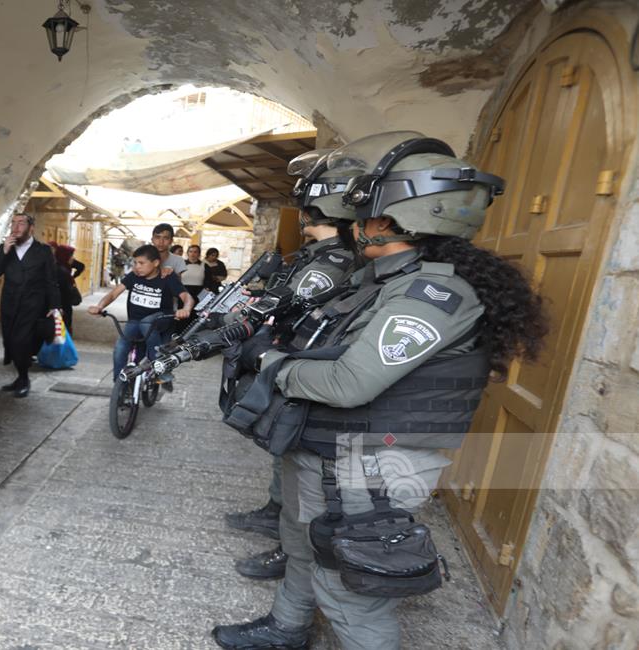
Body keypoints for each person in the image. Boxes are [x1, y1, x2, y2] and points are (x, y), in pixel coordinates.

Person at [212, 133, 546, 650]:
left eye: (364, 214)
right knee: (302, 544)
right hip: (332, 448)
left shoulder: (432, 294)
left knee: (349, 589)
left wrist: (273, 365)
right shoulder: (381, 279)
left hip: (368, 463)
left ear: (392, 221)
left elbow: (348, 383)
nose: (354, 225)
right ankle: (287, 628)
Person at [225, 152, 360, 580]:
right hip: (297, 360)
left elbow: (292, 304)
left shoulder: (334, 260)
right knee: (284, 450)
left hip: (310, 369)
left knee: (304, 469)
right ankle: (276, 515)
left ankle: (292, 550)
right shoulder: (320, 255)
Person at [88, 244, 194, 381]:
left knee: (146, 323)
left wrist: (186, 309)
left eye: (141, 263)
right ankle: (119, 385)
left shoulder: (167, 277)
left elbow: (187, 297)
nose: (137, 266)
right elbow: (114, 293)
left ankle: (159, 365)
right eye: (135, 263)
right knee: (120, 349)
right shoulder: (134, 276)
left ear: (155, 263)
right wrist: (99, 306)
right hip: (135, 321)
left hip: (159, 320)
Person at [0, 213, 60, 398]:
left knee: (22, 341)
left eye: (21, 223)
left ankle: (24, 378)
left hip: (32, 303)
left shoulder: (43, 251)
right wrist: (4, 251)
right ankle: (19, 378)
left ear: (31, 228)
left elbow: (51, 280)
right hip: (9, 303)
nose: (16, 227)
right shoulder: (6, 248)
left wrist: (55, 305)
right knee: (10, 340)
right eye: (13, 223)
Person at [52, 243, 83, 336]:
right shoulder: (61, 272)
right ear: (64, 256)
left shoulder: (61, 268)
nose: (73, 258)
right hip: (62, 306)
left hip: (63, 306)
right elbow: (63, 292)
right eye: (71, 255)